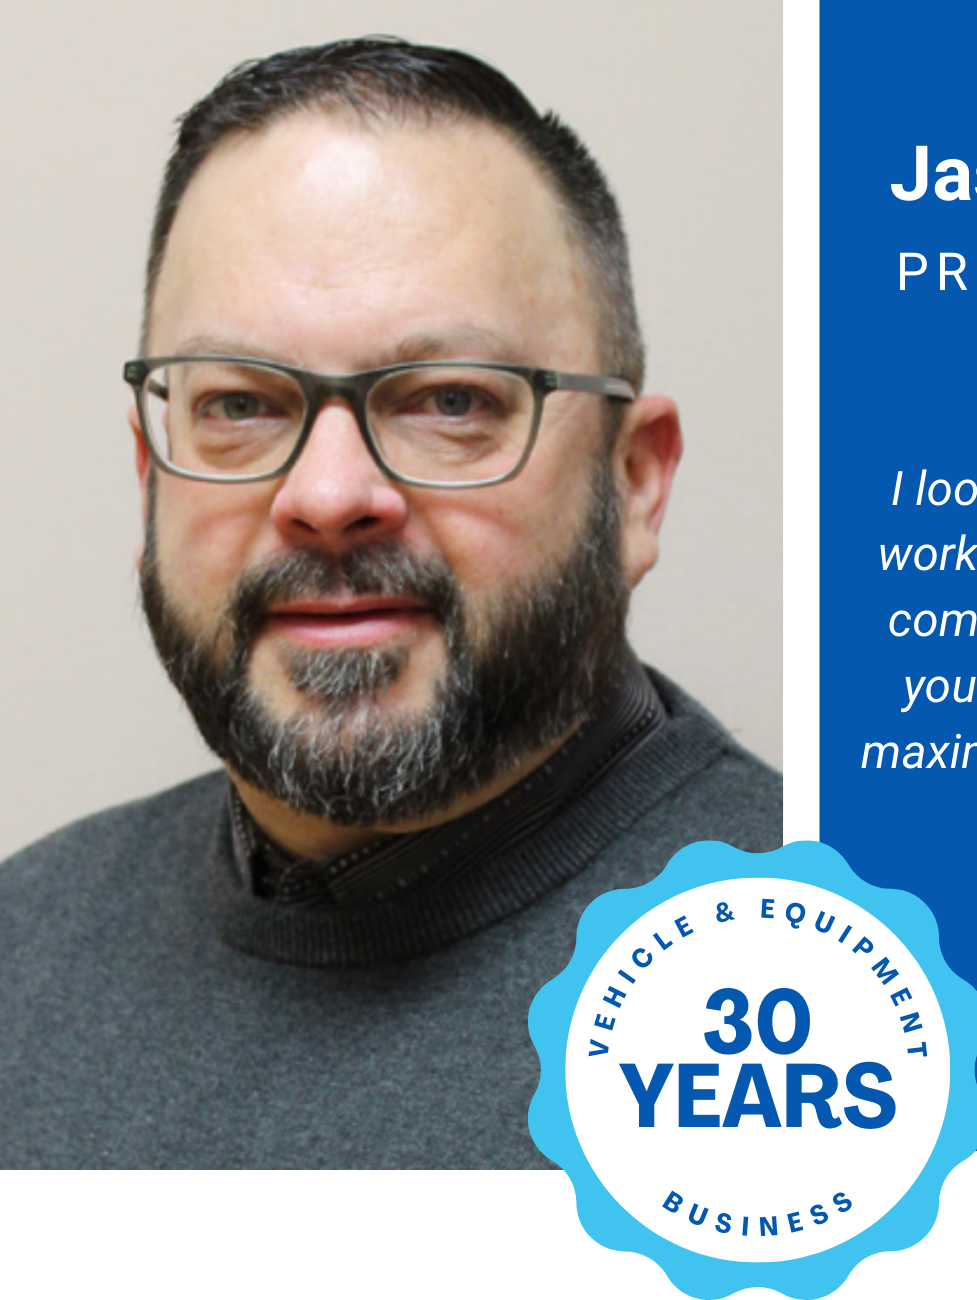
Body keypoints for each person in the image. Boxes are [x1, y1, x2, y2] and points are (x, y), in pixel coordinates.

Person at [0, 38, 782, 1169]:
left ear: (633, 484)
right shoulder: (22, 946)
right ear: (149, 475)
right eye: (239, 405)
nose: (327, 497)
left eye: (451, 400)